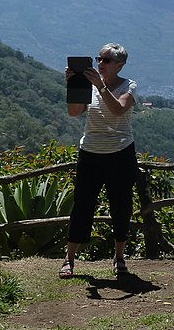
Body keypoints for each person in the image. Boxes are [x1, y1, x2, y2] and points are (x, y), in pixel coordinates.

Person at [59, 43, 138, 279]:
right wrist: (73, 86)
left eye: (106, 60)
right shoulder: (88, 85)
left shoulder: (128, 86)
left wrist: (100, 87)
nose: (100, 64)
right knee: (82, 205)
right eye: (98, 59)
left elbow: (118, 110)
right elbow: (74, 112)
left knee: (121, 206)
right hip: (90, 152)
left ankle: (120, 257)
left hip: (121, 153)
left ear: (120, 65)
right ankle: (69, 259)